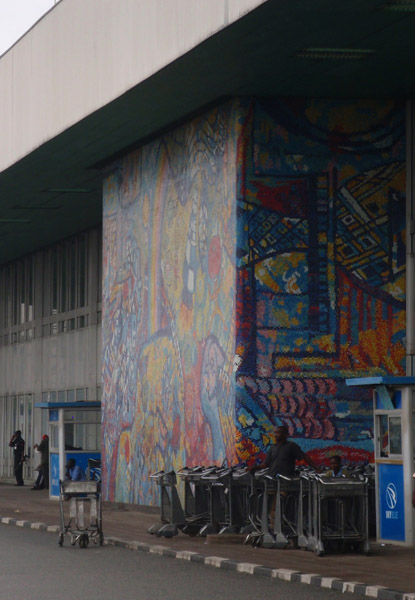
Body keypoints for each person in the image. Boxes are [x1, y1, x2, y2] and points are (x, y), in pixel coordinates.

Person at [248, 425, 318, 477]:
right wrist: (254, 468)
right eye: (274, 433)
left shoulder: (291, 446)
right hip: (272, 478)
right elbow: (265, 464)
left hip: (285, 480)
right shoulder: (272, 448)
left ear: (285, 434)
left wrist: (316, 468)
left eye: (278, 433)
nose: (275, 435)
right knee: (272, 496)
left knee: (282, 496)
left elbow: (305, 457)